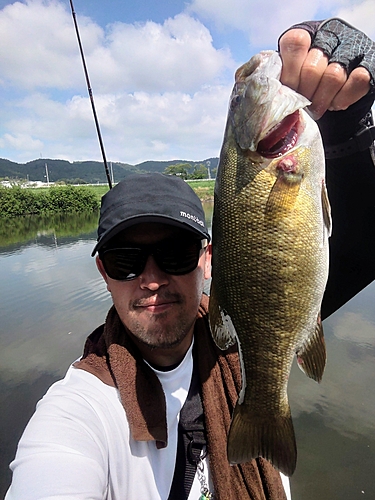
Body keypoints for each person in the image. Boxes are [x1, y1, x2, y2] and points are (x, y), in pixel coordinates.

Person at [5, 18, 375, 500]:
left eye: (176, 253)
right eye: (126, 260)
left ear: (207, 260)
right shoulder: (82, 408)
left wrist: (350, 125)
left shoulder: (240, 336)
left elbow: (362, 246)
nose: (152, 278)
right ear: (102, 272)